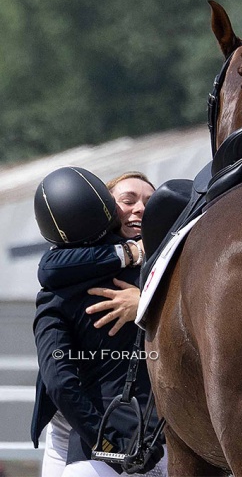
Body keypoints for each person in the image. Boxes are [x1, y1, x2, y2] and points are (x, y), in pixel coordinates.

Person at [31, 167, 167, 477]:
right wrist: (134, 251)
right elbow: (48, 269)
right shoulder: (70, 263)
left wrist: (143, 305)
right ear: (103, 209)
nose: (141, 207)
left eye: (150, 199)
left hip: (115, 421)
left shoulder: (166, 262)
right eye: (128, 199)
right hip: (72, 420)